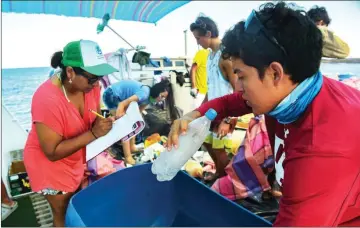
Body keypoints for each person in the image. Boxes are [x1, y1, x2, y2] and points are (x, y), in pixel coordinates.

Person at [166, 2, 360, 226]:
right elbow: (233, 102)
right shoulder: (297, 89)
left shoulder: (321, 149)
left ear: (275, 73)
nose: (237, 87)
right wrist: (194, 114)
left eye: (241, 76)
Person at [23, 40, 117, 227]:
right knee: (62, 212)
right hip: (49, 167)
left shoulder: (92, 86)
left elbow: (94, 117)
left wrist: (107, 124)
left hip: (75, 158)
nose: (96, 83)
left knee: (74, 203)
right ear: (70, 72)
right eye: (92, 78)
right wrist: (94, 134)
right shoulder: (47, 99)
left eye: (99, 77)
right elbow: (52, 152)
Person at [190, 16, 238, 180]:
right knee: (206, 142)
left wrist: (228, 119)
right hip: (212, 111)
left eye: (198, 38)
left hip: (225, 113)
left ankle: (226, 181)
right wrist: (198, 112)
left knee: (219, 148)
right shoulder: (210, 56)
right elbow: (211, 89)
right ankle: (219, 173)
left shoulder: (225, 58)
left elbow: (237, 90)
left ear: (208, 33)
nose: (197, 42)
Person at [102, 79, 180, 165]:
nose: (162, 100)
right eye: (161, 96)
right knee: (125, 127)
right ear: (157, 91)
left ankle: (131, 147)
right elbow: (122, 104)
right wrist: (122, 119)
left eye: (164, 98)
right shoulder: (145, 93)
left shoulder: (149, 99)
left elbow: (137, 114)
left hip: (120, 98)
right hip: (111, 95)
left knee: (135, 122)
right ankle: (128, 157)